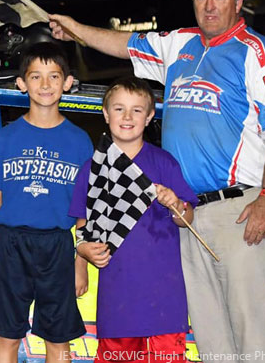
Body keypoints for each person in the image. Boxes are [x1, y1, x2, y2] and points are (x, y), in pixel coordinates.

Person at [50, 0, 265, 361]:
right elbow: (122, 44)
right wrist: (75, 28)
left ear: (238, 2)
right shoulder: (180, 43)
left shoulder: (257, 52)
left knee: (250, 331)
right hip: (184, 214)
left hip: (239, 209)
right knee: (210, 333)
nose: (209, 5)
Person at [0, 42, 89, 363]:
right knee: (7, 336)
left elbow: (84, 211)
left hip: (57, 246)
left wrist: (80, 263)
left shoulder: (79, 141)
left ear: (67, 82)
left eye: (54, 76)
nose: (45, 84)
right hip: (11, 246)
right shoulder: (5, 138)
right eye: (36, 76)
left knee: (58, 337)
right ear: (21, 83)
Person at [70, 77, 197, 362]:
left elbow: (187, 218)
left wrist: (176, 203)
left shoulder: (164, 162)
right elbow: (83, 226)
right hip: (117, 296)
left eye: (137, 110)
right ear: (106, 114)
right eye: (119, 109)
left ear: (149, 117)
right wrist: (82, 254)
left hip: (164, 295)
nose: (127, 117)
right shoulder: (92, 168)